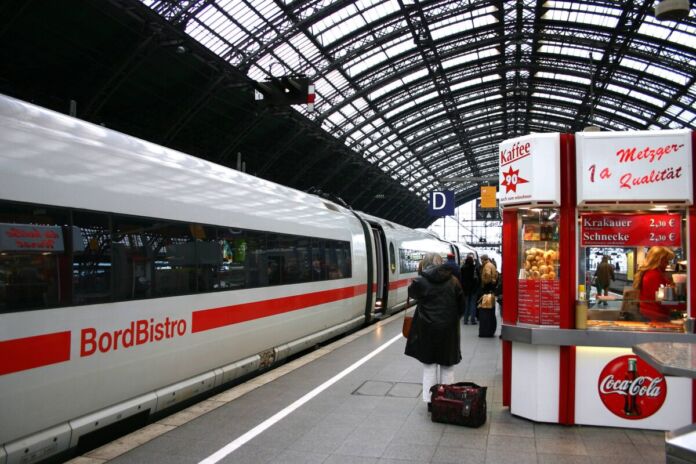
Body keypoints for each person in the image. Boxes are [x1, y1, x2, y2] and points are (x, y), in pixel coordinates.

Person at [404, 252, 464, 410]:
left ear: (425, 263)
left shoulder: (421, 281)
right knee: (447, 366)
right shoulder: (454, 281)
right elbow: (461, 306)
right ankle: (447, 400)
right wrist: (451, 319)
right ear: (441, 263)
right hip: (448, 331)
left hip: (427, 330)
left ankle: (430, 401)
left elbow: (412, 294)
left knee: (429, 367)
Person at [633, 246, 675, 322]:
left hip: (651, 316)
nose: (667, 264)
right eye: (666, 261)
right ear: (658, 260)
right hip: (656, 317)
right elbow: (661, 299)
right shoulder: (654, 275)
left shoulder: (651, 273)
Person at [459, 254, 479, 325]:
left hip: (465, 289)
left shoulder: (462, 268)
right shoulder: (474, 268)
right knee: (473, 304)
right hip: (473, 289)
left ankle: (465, 320)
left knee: (466, 304)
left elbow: (461, 279)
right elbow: (477, 279)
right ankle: (472, 320)